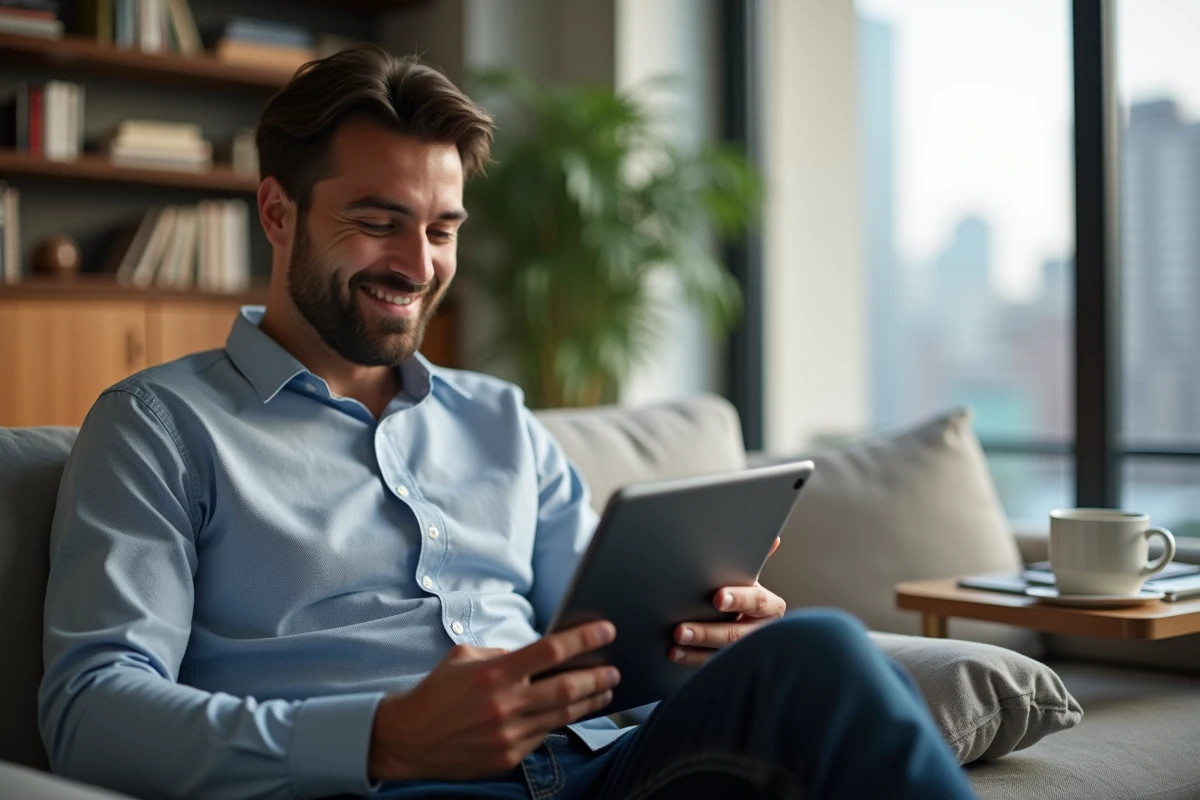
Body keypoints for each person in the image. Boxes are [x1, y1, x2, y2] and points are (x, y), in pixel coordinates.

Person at [39, 46, 976, 800]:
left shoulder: (499, 419)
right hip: (388, 787)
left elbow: (606, 644)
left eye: (442, 228)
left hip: (602, 767)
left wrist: (706, 637)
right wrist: (380, 737)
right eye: (378, 221)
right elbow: (89, 709)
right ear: (278, 213)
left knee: (816, 649)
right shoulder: (159, 426)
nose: (418, 262)